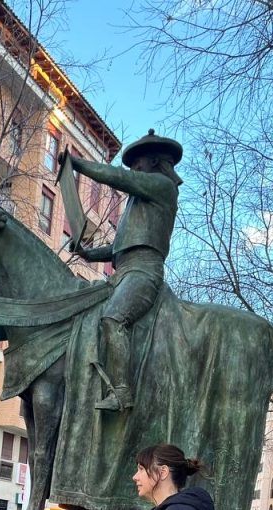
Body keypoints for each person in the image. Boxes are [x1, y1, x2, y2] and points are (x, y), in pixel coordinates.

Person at [67, 130, 182, 412]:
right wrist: (88, 254)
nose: (133, 170)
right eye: (131, 167)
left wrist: (78, 164)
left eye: (137, 164)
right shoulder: (136, 203)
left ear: (154, 161)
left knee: (113, 318)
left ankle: (121, 391)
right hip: (121, 274)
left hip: (143, 271)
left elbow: (117, 178)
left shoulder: (162, 186)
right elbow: (119, 246)